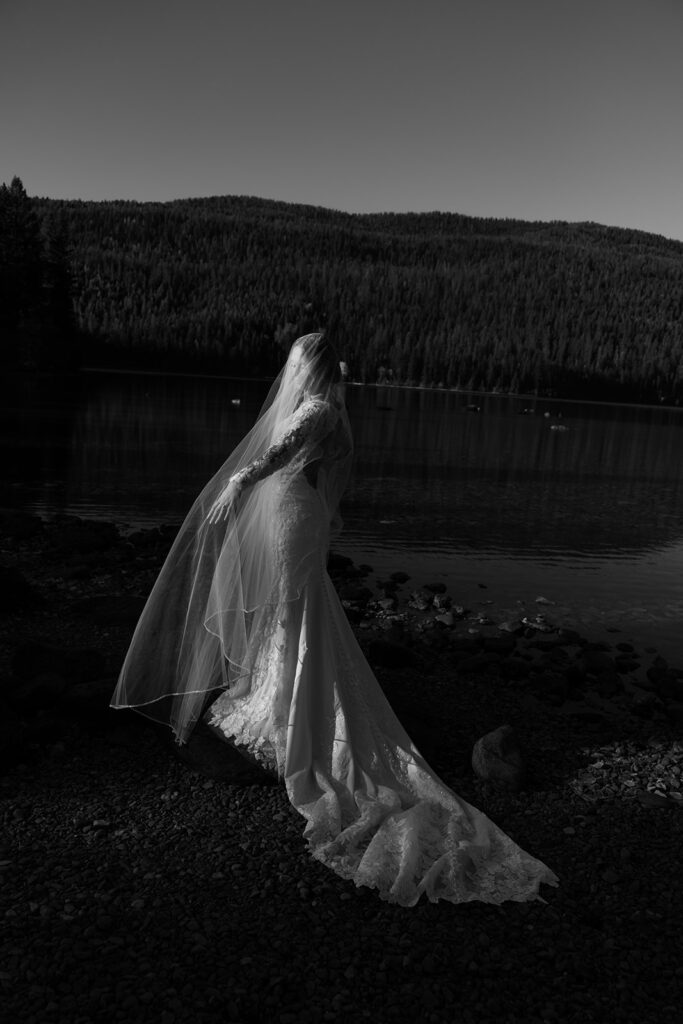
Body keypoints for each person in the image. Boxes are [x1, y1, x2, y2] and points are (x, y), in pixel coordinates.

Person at [111, 333, 558, 906]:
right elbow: (309, 466)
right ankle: (277, 693)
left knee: (294, 609)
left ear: (309, 368)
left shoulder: (318, 409)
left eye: (296, 364)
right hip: (295, 511)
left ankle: (297, 711)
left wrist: (237, 481)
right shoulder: (330, 409)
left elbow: (276, 457)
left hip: (292, 512)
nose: (289, 372)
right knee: (287, 611)